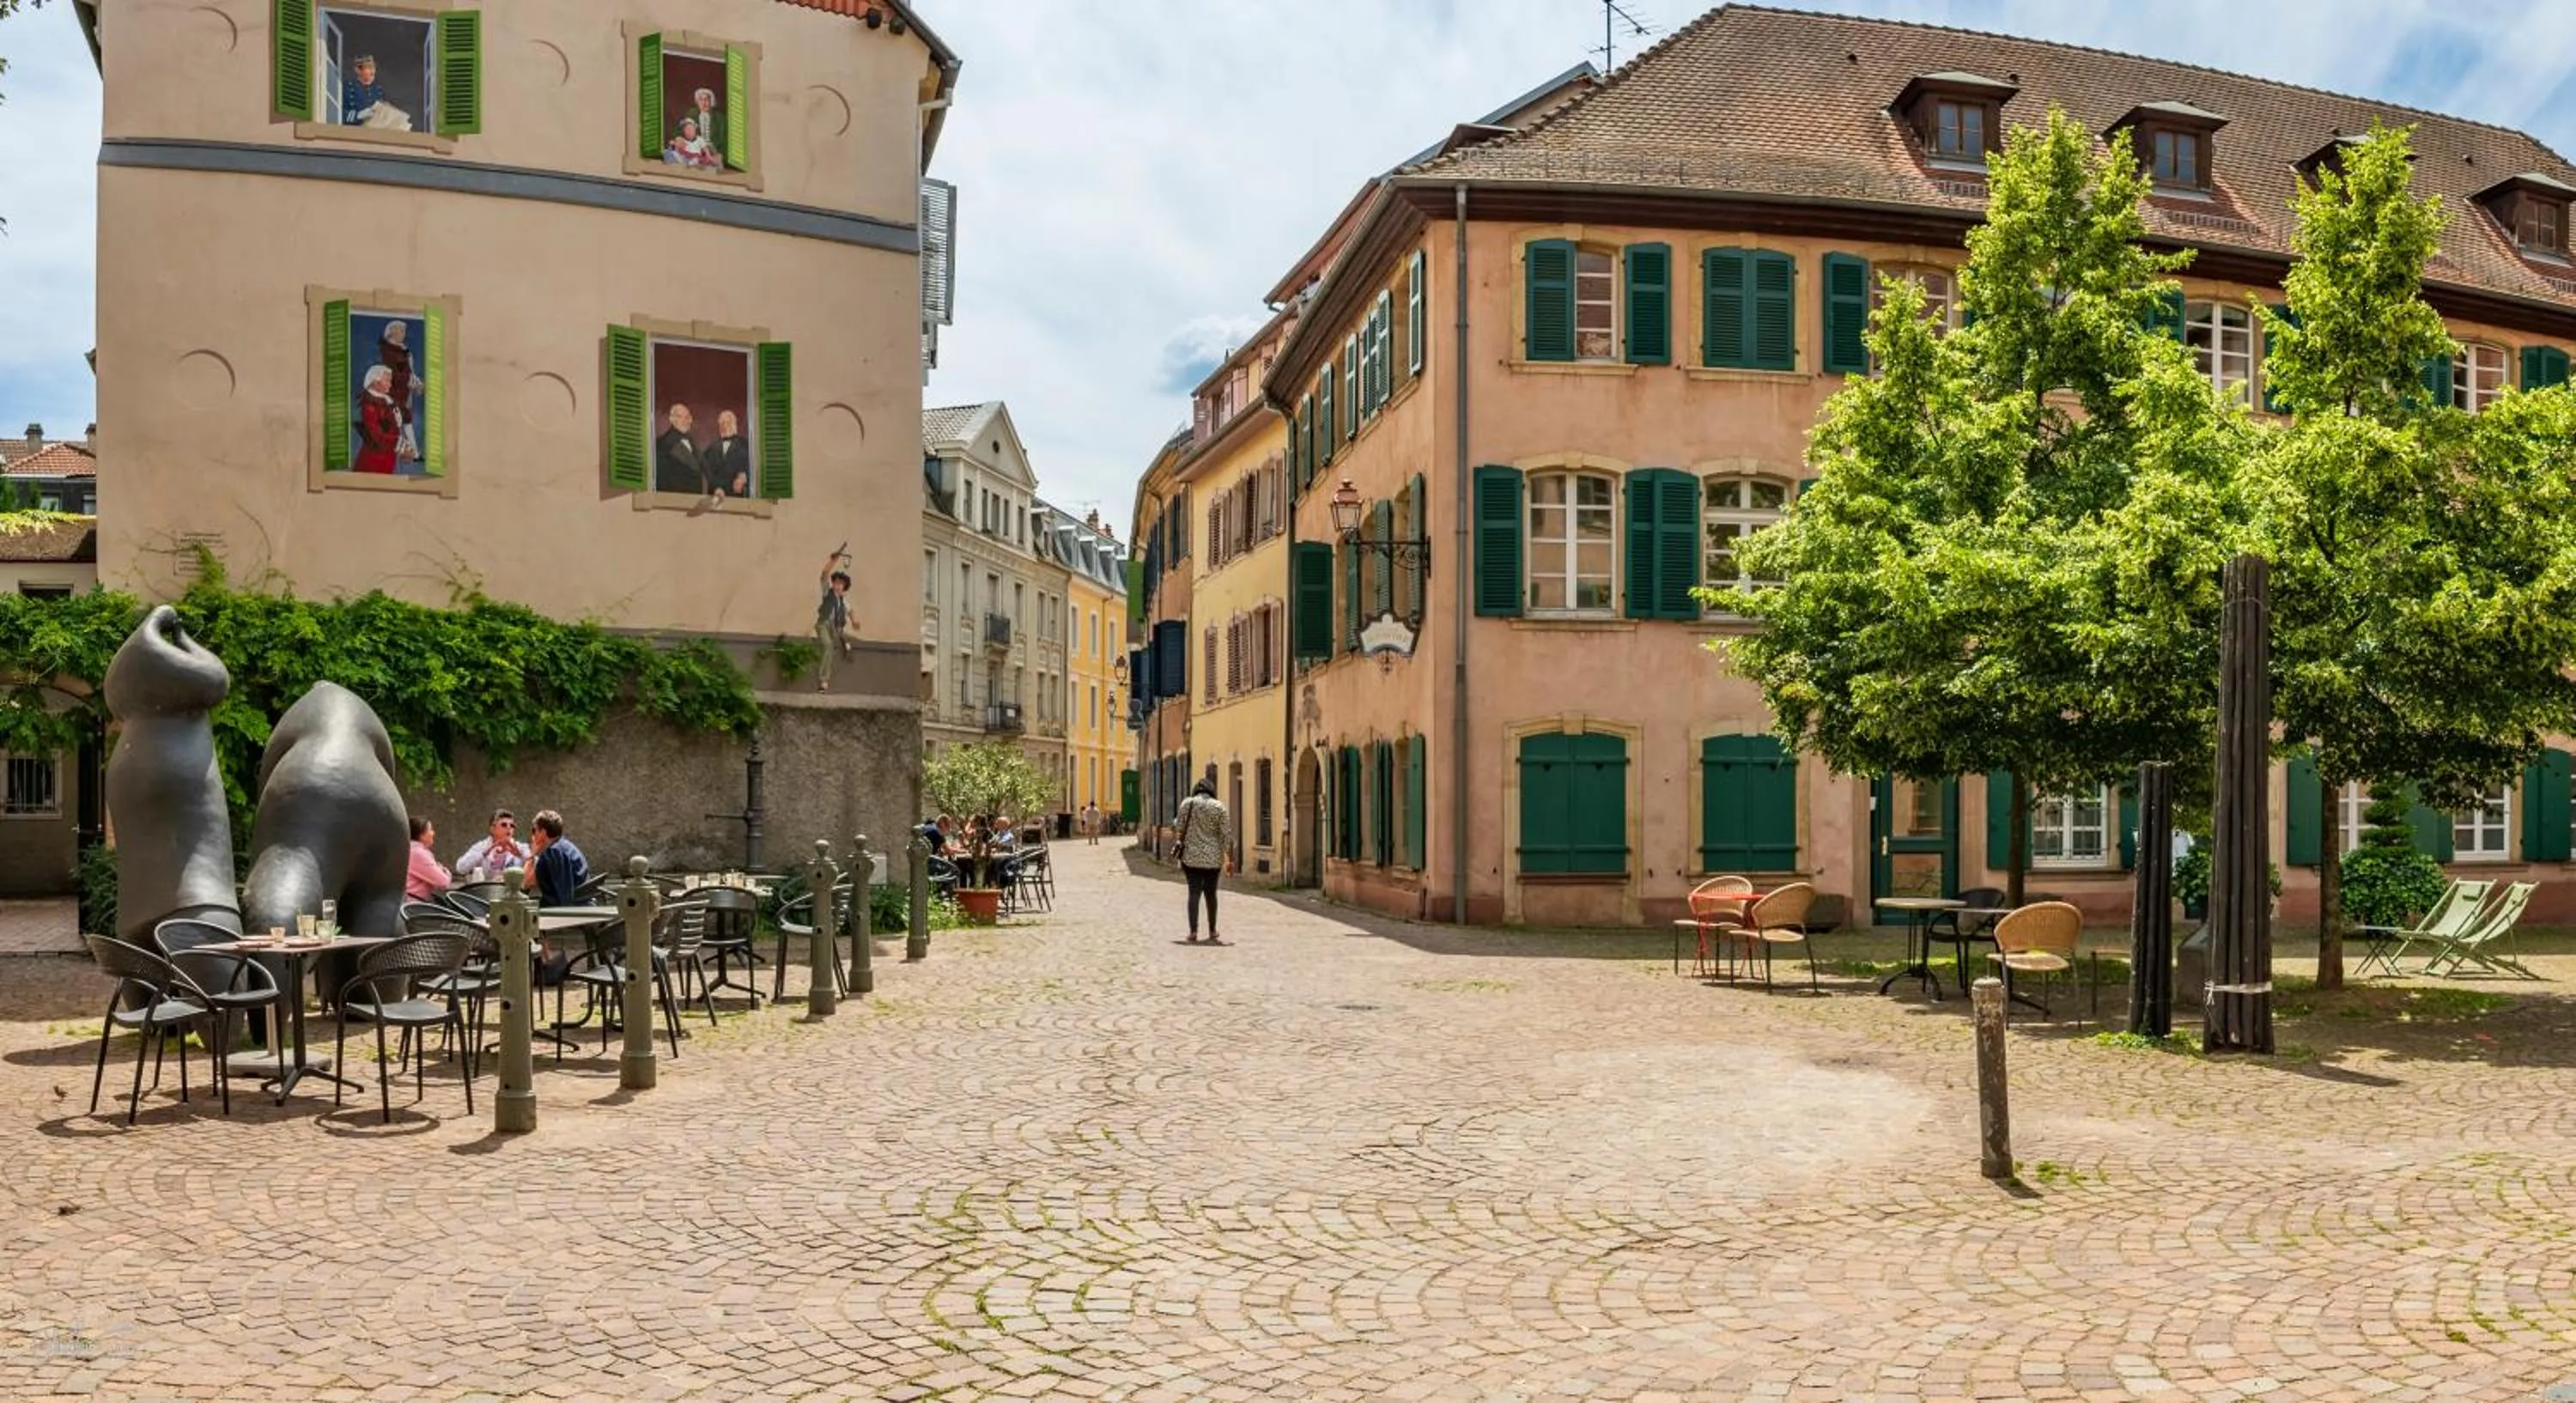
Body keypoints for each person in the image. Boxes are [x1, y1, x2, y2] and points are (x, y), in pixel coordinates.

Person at [1174, 777, 1234, 944]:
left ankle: (1193, 932)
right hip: (1213, 858)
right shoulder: (1219, 806)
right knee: (1211, 893)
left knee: (1193, 893)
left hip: (1191, 857)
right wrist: (1230, 859)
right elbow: (1226, 835)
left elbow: (1178, 827)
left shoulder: (1187, 804)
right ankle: (1213, 930)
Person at [523, 810, 589, 907]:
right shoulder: (563, 848)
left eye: (534, 830)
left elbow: (526, 884)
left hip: (566, 914)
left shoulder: (554, 853)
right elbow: (527, 883)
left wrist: (532, 854)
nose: (533, 835)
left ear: (543, 832)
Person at [816, 548, 854, 691]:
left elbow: (850, 611)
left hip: (836, 628)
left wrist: (855, 621)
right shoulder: (828, 593)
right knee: (828, 646)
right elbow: (824, 574)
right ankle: (823, 680)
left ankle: (847, 646)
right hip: (823, 624)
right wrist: (834, 560)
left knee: (845, 636)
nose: (837, 586)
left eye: (840, 584)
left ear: (844, 587)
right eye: (836, 583)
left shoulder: (843, 601)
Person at [453, 808, 527, 882]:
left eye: (512, 826)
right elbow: (460, 868)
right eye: (504, 825)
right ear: (492, 828)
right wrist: (484, 853)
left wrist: (519, 854)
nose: (509, 828)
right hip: (485, 891)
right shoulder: (481, 847)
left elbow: (534, 867)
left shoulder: (521, 848)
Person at [354, 365, 404, 473]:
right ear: (375, 382)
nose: (390, 385)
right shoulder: (369, 405)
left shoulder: (387, 401)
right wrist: (400, 445)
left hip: (388, 453)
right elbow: (376, 435)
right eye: (387, 381)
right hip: (375, 456)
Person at [405, 816, 453, 901]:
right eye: (430, 830)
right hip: (415, 908)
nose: (433, 833)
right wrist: (446, 871)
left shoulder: (410, 850)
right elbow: (443, 882)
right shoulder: (418, 854)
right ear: (422, 835)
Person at [707, 410, 751, 498]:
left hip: (737, 497)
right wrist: (716, 488)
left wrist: (744, 478)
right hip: (715, 496)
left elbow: (753, 467)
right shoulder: (712, 448)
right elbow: (707, 471)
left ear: (734, 424)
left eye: (728, 422)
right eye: (722, 423)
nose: (724, 426)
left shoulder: (745, 445)